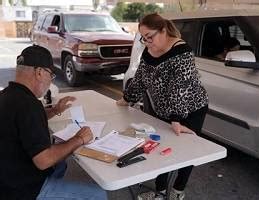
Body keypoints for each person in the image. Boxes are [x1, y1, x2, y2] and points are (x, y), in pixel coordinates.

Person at [116, 13, 209, 200]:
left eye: (149, 36)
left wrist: (176, 119)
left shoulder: (181, 52)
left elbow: (180, 87)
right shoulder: (148, 50)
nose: (146, 42)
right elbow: (140, 78)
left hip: (190, 110)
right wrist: (126, 99)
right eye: (143, 38)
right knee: (159, 149)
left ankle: (177, 191)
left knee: (184, 152)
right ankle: (159, 191)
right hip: (164, 110)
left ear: (163, 30)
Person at [0, 45, 107, 200]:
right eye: (51, 75)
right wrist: (79, 139)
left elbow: (24, 121)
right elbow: (44, 160)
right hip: (22, 190)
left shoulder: (7, 95)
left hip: (8, 176)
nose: (51, 81)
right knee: (98, 194)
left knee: (60, 164)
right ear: (39, 72)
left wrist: (55, 110)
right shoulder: (29, 105)